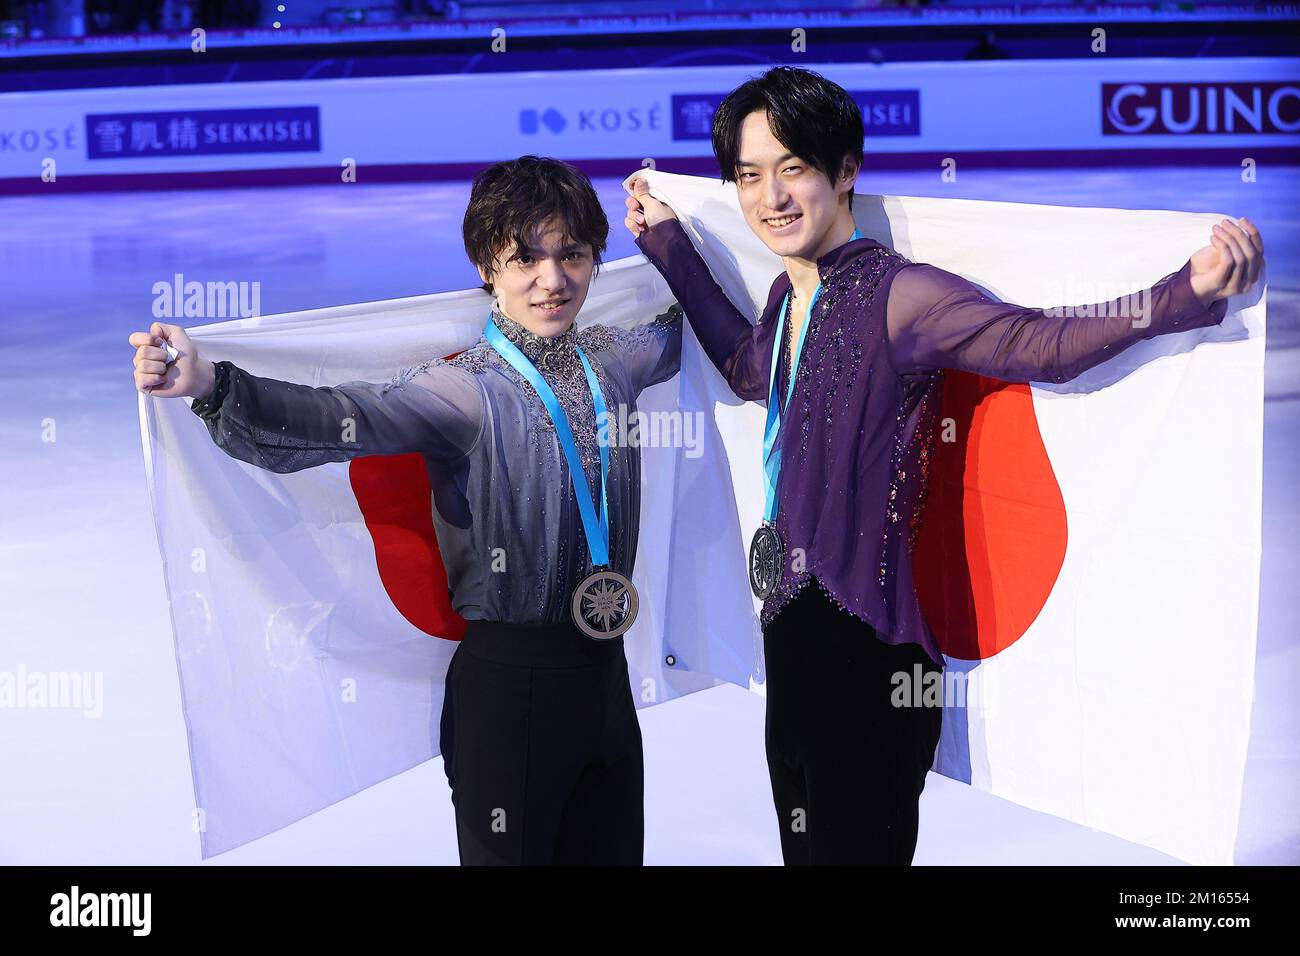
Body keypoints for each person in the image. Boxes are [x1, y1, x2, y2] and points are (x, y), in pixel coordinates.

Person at [625, 66, 1262, 865]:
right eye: (749, 176)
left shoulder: (902, 297)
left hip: (871, 658)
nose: (770, 197)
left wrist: (1183, 291)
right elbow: (750, 372)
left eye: (792, 168)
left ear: (845, 170)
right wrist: (667, 244)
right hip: (789, 644)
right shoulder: (788, 302)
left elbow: (1043, 345)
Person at [129, 155, 683, 865]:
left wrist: (674, 235)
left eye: (572, 254)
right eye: (526, 259)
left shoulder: (616, 359)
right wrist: (212, 385)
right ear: (488, 264)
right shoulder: (461, 390)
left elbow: (698, 323)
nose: (553, 279)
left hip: (607, 683)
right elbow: (338, 415)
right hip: (510, 695)